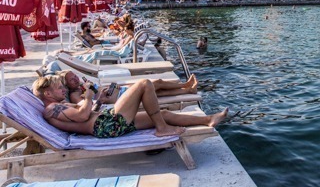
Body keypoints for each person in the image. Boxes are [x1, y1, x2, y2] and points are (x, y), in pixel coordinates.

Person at [32, 75, 228, 138]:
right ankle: (162, 129)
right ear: (47, 94)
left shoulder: (59, 106)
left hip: (106, 121)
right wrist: (90, 96)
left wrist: (98, 99)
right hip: (106, 125)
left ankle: (208, 119)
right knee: (144, 84)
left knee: (164, 113)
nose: (62, 90)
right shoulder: (51, 109)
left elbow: (84, 114)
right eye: (59, 88)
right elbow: (83, 117)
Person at [59, 70, 198, 105]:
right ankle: (185, 86)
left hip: (119, 91)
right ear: (67, 84)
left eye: (75, 76)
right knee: (157, 85)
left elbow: (97, 91)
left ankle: (187, 88)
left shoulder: (82, 86)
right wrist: (90, 94)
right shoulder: (73, 95)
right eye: (72, 79)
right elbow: (86, 104)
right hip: (120, 98)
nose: (76, 79)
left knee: (158, 88)